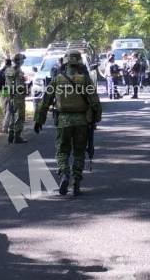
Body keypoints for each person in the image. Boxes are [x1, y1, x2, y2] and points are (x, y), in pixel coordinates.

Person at [34, 50, 102, 196]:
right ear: (79, 63)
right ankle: (76, 182)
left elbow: (45, 101)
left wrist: (39, 120)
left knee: (62, 151)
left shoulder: (57, 79)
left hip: (63, 121)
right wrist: (95, 119)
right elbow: (95, 102)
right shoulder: (85, 80)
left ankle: (64, 174)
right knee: (79, 152)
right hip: (82, 122)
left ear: (65, 63)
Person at [5, 53, 29, 144]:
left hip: (11, 96)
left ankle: (10, 135)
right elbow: (18, 85)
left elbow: (8, 84)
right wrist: (24, 87)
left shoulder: (9, 69)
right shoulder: (17, 71)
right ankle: (17, 137)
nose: (23, 61)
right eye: (22, 60)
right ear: (19, 61)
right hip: (18, 96)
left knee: (12, 115)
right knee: (20, 116)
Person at [0, 58, 12, 134]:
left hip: (2, 92)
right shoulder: (11, 71)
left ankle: (6, 125)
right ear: (10, 64)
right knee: (9, 110)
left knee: (5, 109)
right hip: (8, 91)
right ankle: (6, 126)